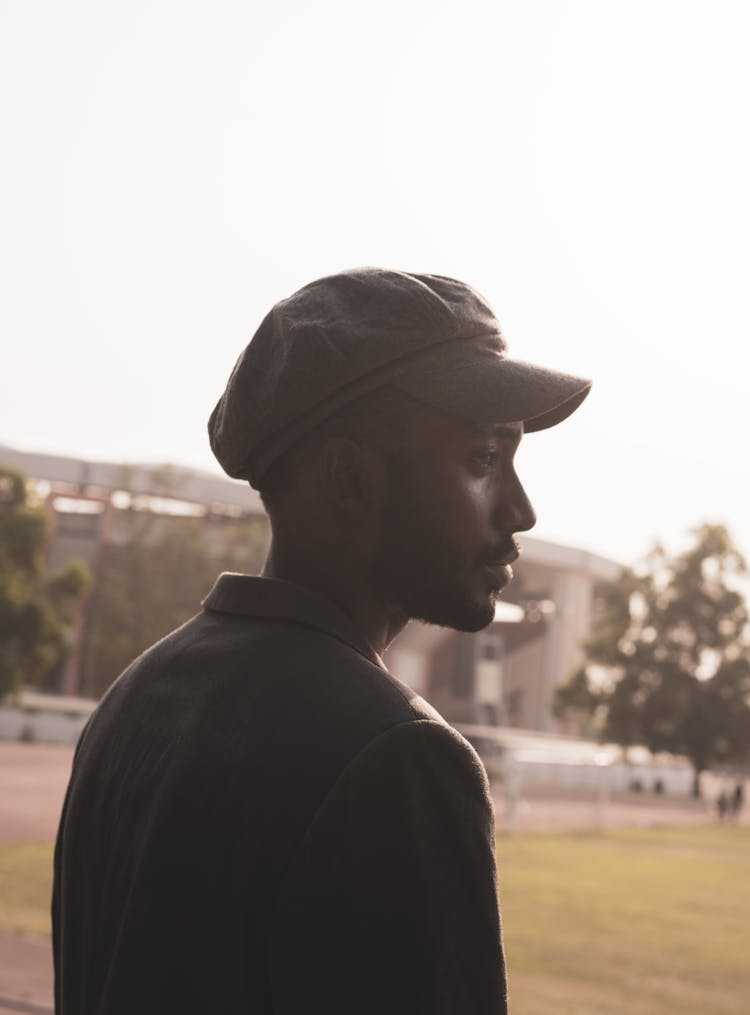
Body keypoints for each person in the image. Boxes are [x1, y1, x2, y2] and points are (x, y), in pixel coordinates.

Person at [53, 268, 591, 1014]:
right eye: (483, 459)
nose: (522, 509)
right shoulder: (398, 755)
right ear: (349, 479)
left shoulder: (131, 698)